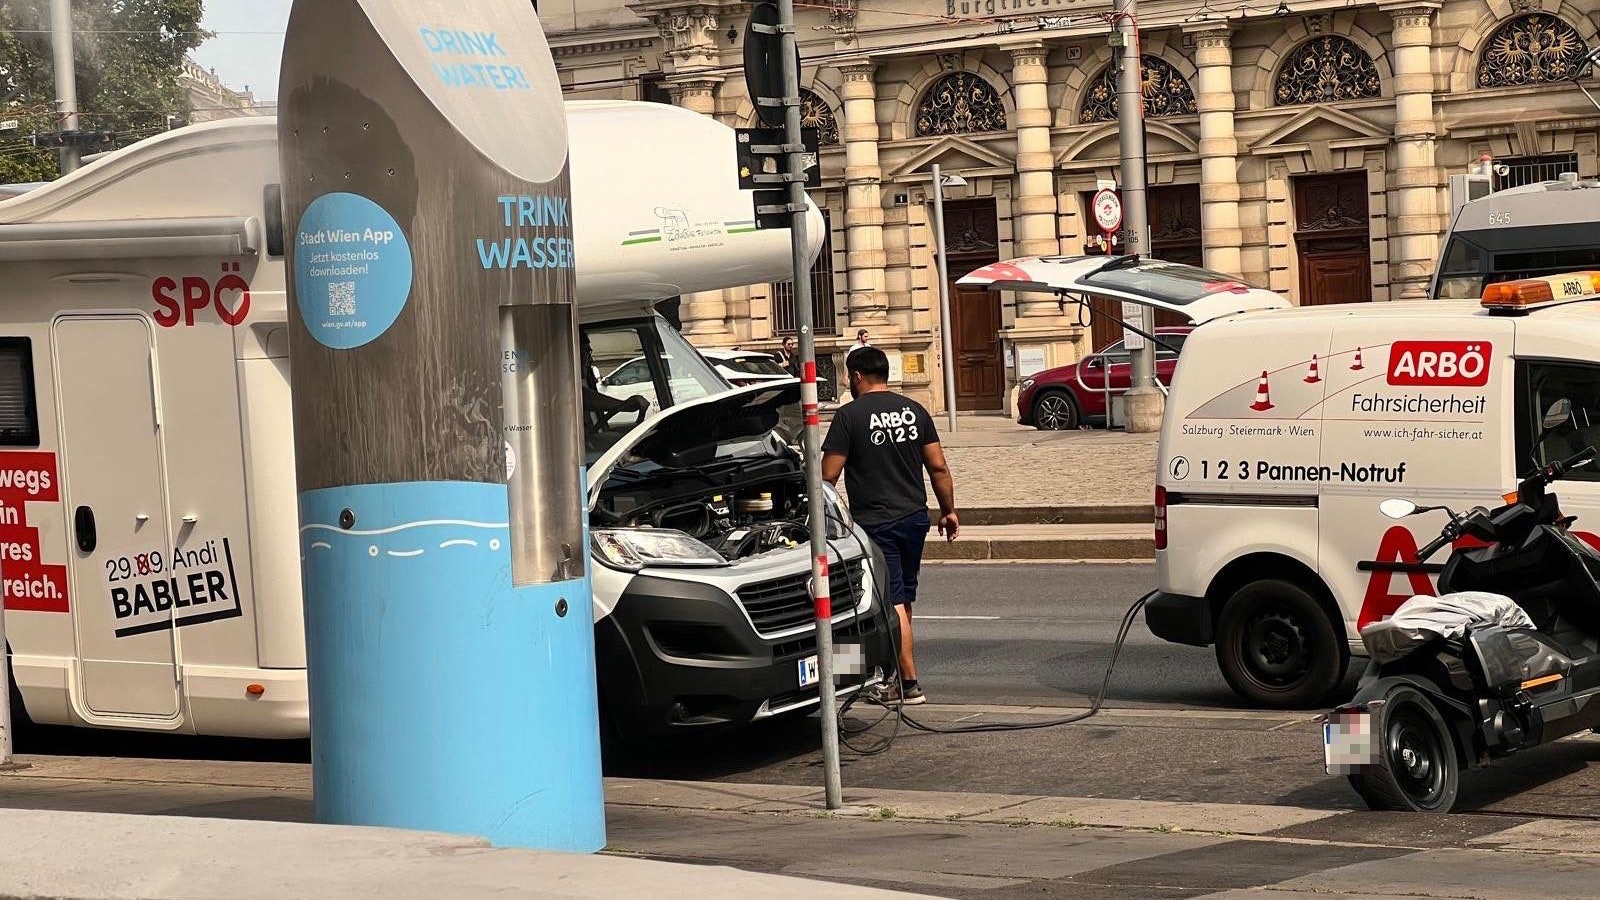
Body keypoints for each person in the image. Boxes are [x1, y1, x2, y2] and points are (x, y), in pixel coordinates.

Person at [822, 346, 957, 706]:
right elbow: (939, 467)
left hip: (875, 523)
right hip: (914, 518)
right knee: (901, 599)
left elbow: (827, 477)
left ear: (855, 376)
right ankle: (888, 675)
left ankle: (906, 684)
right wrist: (949, 511)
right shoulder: (915, 410)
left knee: (870, 600)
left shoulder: (848, 416)